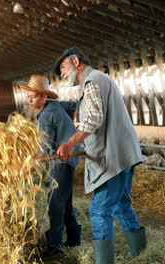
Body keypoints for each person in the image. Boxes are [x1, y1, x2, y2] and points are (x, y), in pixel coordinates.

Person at [53, 47, 146, 264]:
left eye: (63, 68)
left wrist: (69, 144)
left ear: (76, 61)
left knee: (99, 210)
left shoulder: (92, 81)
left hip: (113, 156)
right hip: (124, 153)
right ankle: (141, 256)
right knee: (122, 204)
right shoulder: (100, 79)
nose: (62, 74)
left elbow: (94, 119)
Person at [18, 74, 82, 258]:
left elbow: (43, 147)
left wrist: (29, 160)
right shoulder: (55, 105)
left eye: (34, 97)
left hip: (61, 160)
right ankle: (74, 240)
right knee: (65, 202)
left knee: (55, 203)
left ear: (44, 97)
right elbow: (72, 105)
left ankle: (55, 247)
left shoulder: (46, 114)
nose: (30, 100)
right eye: (28, 96)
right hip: (69, 158)